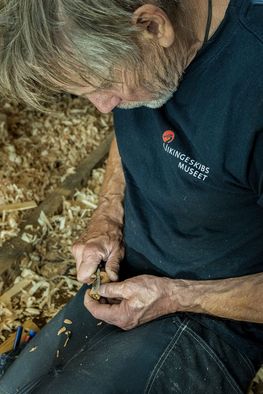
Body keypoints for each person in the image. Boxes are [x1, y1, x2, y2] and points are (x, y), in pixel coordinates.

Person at [0, 0, 262, 393]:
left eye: (103, 86)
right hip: (132, 277)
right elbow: (138, 127)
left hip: (215, 316)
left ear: (153, 26)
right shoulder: (145, 62)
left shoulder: (253, 84)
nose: (104, 107)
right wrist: (108, 213)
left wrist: (175, 296)